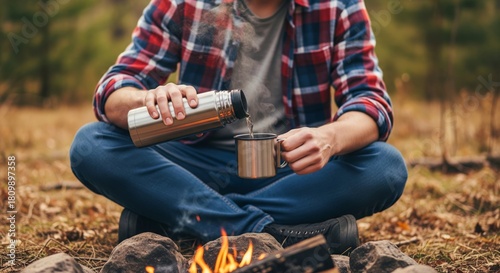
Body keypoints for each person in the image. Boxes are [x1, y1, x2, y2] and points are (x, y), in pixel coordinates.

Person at [70, 0, 408, 255]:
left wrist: (330, 138)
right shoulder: (185, 3)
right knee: (92, 145)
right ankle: (270, 232)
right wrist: (149, 99)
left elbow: (370, 102)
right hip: (192, 166)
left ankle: (179, 218)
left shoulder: (339, 6)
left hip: (290, 171)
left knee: (385, 166)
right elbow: (113, 91)